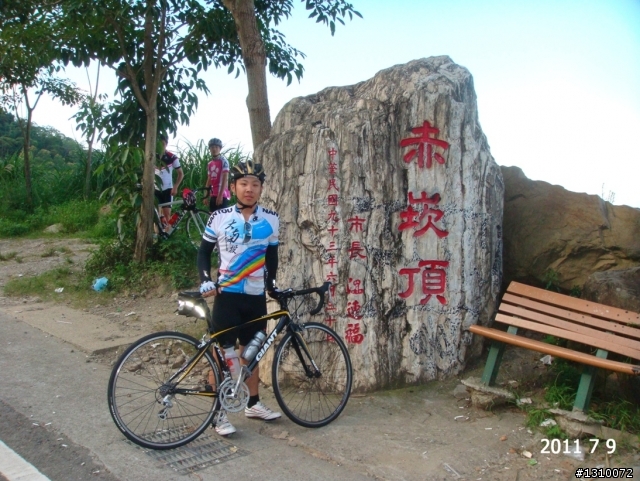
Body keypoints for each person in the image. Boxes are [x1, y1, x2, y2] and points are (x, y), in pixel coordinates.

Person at [197, 160, 281, 436]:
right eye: (244, 184)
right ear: (233, 187)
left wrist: (271, 284)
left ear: (260, 189)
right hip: (227, 296)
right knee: (222, 354)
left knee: (251, 353)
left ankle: (253, 404)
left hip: (255, 297)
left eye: (255, 184)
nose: (249, 189)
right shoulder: (218, 218)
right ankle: (217, 413)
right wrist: (205, 280)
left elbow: (272, 256)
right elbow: (203, 253)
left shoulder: (271, 219)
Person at [155, 134, 184, 231]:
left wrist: (175, 187)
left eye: (163, 144)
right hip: (155, 189)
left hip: (167, 189)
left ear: (166, 144)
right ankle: (158, 238)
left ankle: (169, 236)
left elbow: (181, 174)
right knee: (156, 216)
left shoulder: (172, 157)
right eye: (159, 144)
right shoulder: (152, 156)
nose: (161, 146)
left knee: (167, 215)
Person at [203, 138, 230, 213]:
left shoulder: (224, 161)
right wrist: (205, 195)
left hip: (223, 194)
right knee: (212, 218)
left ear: (220, 149)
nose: (214, 149)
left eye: (216, 147)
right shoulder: (210, 164)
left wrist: (220, 195)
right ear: (210, 149)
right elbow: (209, 180)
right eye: (212, 147)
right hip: (213, 194)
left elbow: (225, 178)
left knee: (222, 219)